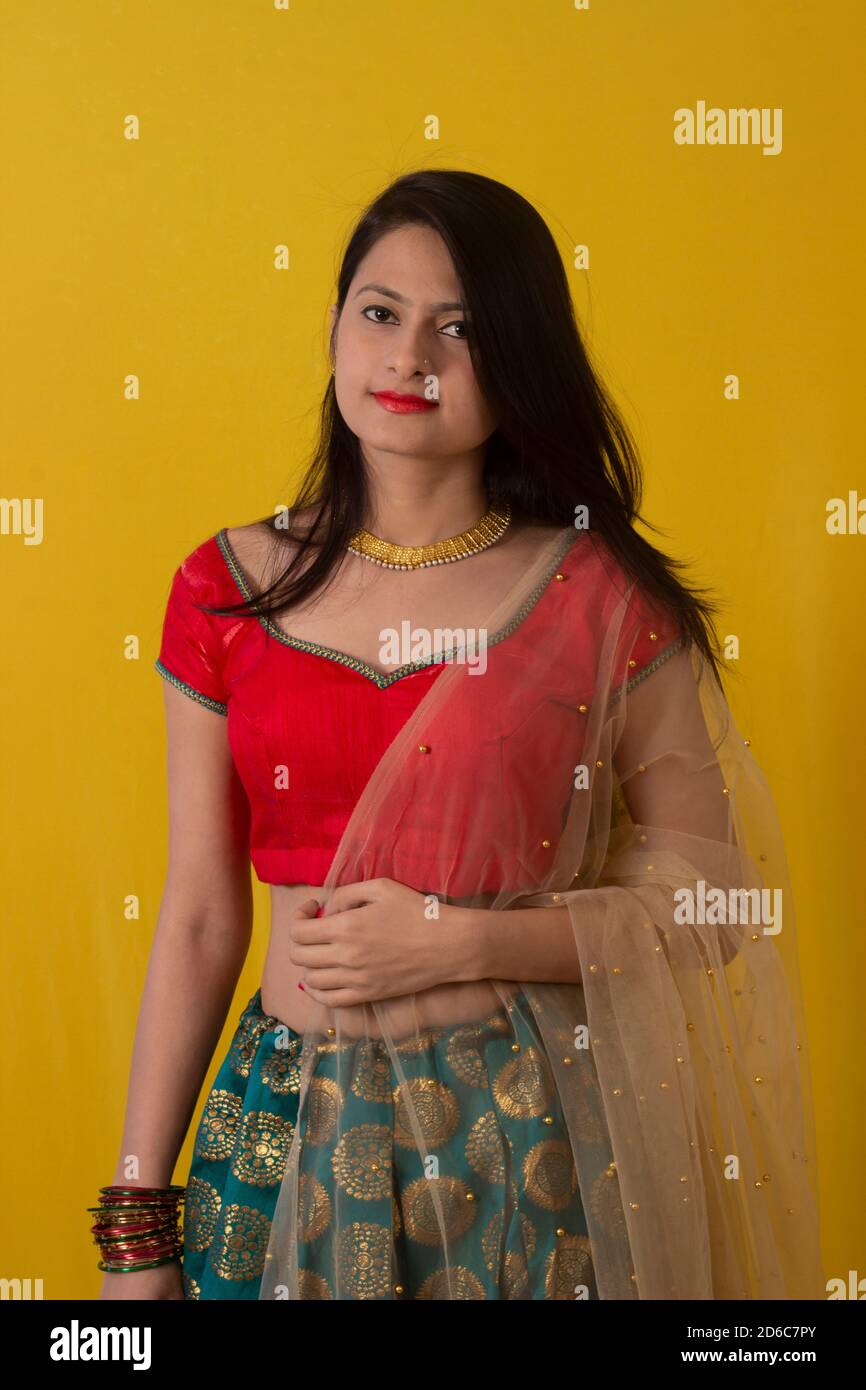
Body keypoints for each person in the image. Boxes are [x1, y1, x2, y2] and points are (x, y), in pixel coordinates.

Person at [98, 170, 823, 1301]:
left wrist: (464, 941)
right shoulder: (225, 590)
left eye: (460, 327)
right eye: (378, 313)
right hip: (280, 1124)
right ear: (336, 328)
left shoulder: (594, 598)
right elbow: (196, 915)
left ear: (519, 356)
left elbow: (717, 892)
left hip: (525, 1130)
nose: (408, 357)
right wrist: (137, 1223)